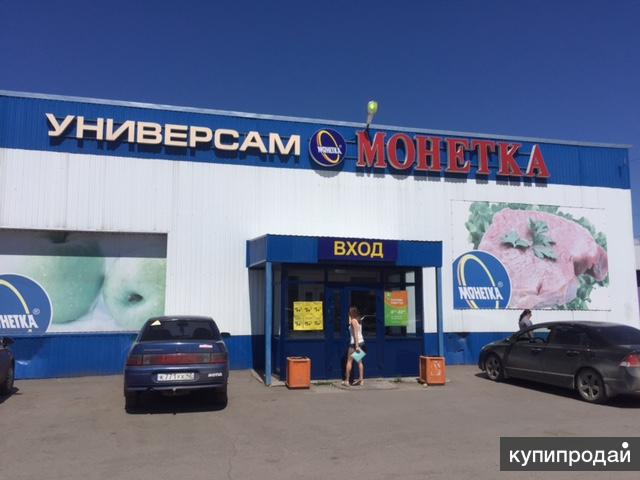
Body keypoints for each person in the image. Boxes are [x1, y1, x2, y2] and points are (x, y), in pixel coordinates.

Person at [343, 306, 365, 386]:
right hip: (360, 342)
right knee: (359, 362)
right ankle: (361, 380)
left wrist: (356, 346)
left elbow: (355, 334)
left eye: (349, 313)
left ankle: (347, 381)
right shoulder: (358, 320)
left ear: (351, 313)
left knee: (349, 361)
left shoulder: (353, 321)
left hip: (354, 344)